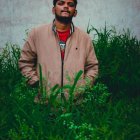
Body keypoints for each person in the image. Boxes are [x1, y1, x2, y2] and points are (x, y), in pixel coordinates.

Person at [18, 0, 98, 102]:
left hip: (75, 105)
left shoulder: (84, 38)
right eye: (61, 3)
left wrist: (82, 88)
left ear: (75, 12)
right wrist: (36, 83)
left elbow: (92, 67)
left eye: (70, 4)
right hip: (44, 104)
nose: (66, 6)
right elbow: (25, 62)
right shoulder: (37, 34)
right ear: (53, 10)